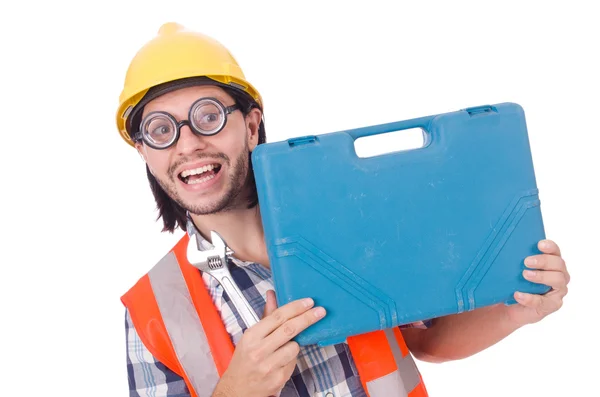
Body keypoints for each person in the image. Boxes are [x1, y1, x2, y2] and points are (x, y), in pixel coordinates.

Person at [117, 23, 570, 397]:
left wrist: (518, 310)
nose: (189, 144)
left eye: (208, 116)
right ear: (144, 152)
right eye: (160, 130)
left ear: (251, 125)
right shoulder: (151, 310)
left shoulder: (351, 220)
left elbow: (425, 339)